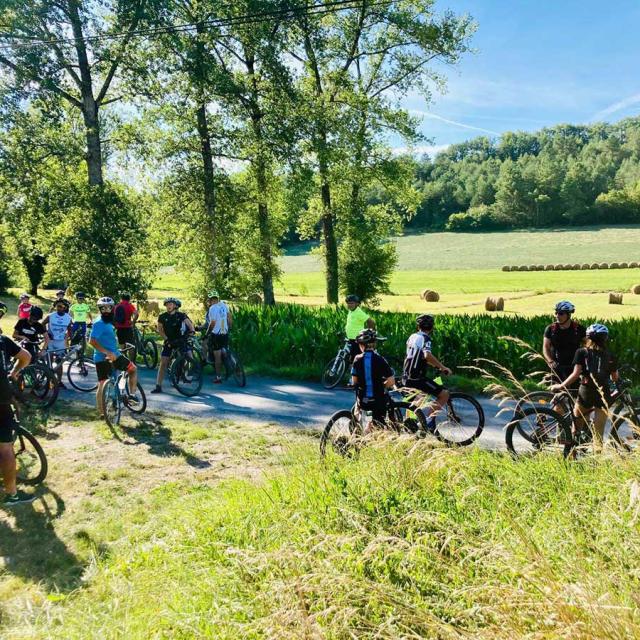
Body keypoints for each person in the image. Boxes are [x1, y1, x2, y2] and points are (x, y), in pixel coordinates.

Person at [551, 323, 618, 450]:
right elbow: (614, 378)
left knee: (576, 429)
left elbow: (576, 374)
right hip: (603, 393)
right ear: (605, 338)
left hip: (585, 392)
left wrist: (561, 385)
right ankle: (596, 465)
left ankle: (571, 455)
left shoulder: (582, 352)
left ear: (588, 338)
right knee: (598, 435)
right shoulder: (611, 355)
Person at [90, 297, 139, 417]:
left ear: (113, 308)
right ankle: (131, 396)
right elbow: (91, 341)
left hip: (110, 354)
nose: (106, 310)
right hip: (109, 356)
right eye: (103, 308)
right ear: (100, 309)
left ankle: (104, 413)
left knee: (103, 382)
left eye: (109, 308)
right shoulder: (99, 323)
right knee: (132, 369)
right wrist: (107, 352)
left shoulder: (107, 321)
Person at [0, 334, 33, 505]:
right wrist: (14, 372)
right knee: (5, 448)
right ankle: (12, 495)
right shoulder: (2, 340)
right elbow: (26, 357)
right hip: (2, 398)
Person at [403, 314, 452, 429]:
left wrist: (436, 365)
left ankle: (410, 425)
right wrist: (442, 367)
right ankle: (428, 422)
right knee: (444, 394)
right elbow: (427, 355)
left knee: (417, 398)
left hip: (407, 375)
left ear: (418, 326)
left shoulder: (412, 336)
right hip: (417, 377)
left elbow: (419, 356)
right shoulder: (426, 338)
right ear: (432, 327)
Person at [350, 329, 395, 428]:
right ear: (374, 344)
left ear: (361, 345)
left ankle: (356, 427)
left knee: (359, 408)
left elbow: (354, 382)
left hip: (363, 400)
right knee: (377, 422)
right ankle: (369, 432)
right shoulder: (380, 359)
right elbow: (391, 381)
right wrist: (381, 386)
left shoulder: (357, 359)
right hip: (378, 400)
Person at [151, 297, 194, 394]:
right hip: (169, 341)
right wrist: (166, 339)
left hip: (180, 340)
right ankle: (158, 386)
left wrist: (191, 332)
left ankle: (185, 374)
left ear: (175, 306)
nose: (168, 306)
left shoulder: (181, 315)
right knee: (163, 363)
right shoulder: (162, 316)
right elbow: (160, 330)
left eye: (170, 304)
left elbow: (190, 325)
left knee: (189, 357)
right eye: (167, 304)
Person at [543, 301, 586, 389]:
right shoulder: (551, 329)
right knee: (557, 394)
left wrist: (583, 360)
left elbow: (588, 344)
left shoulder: (578, 329)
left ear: (569, 315)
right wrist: (550, 361)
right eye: (556, 313)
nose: (557, 316)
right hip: (557, 365)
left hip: (574, 366)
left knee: (575, 393)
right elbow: (546, 347)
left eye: (561, 313)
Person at [205, 291, 232, 384]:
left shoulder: (212, 308)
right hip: (225, 332)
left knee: (217, 356)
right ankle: (236, 368)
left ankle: (218, 377)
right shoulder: (224, 305)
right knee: (225, 350)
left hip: (216, 334)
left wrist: (207, 333)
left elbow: (212, 323)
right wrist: (229, 328)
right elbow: (229, 318)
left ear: (210, 300)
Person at [345, 294, 375, 363]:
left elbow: (371, 321)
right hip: (351, 339)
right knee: (352, 358)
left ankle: (357, 372)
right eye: (348, 303)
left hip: (357, 339)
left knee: (356, 359)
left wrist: (370, 331)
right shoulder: (351, 311)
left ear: (357, 304)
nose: (350, 305)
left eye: (352, 303)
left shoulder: (359, 312)